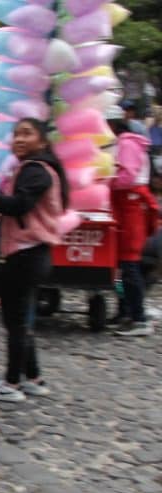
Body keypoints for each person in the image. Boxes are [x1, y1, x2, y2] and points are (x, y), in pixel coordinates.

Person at [0, 118, 69, 402]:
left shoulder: (36, 170)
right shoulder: (36, 169)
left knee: (16, 321)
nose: (19, 139)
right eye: (16, 134)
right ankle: (33, 377)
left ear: (43, 141)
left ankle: (11, 384)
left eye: (27, 134)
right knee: (20, 320)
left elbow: (20, 205)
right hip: (32, 254)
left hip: (26, 255)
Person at [106, 111, 157, 336]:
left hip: (131, 210)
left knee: (129, 265)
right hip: (124, 209)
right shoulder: (123, 143)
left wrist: (105, 179)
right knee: (121, 267)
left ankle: (139, 318)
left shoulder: (127, 144)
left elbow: (126, 178)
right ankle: (125, 312)